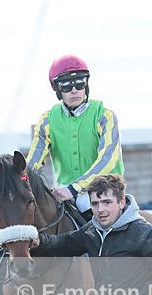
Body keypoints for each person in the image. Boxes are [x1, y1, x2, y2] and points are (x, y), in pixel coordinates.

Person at [27, 55, 124, 214]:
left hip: (105, 189)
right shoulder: (47, 121)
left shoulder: (105, 116)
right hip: (65, 189)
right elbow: (32, 162)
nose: (74, 90)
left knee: (86, 203)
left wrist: (76, 188)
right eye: (66, 85)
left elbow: (108, 159)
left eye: (80, 83)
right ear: (57, 90)